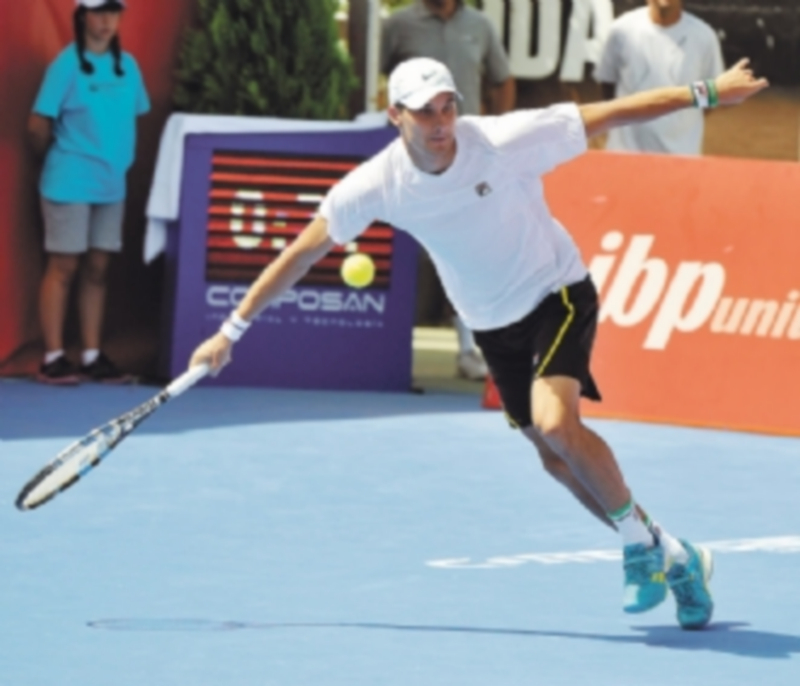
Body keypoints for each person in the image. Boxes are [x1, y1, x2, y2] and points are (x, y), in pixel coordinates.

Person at [188, 56, 767, 628]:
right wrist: (229, 330)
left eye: (448, 107)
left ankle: (640, 552)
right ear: (395, 116)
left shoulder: (500, 139)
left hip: (556, 292)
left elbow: (606, 113)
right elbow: (304, 251)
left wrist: (707, 92)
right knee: (556, 461)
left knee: (557, 424)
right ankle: (677, 556)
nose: (441, 123)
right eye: (424, 113)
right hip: (491, 324)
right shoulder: (377, 184)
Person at [382, 0, 516, 380]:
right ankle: (391, 352)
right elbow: (375, 80)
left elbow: (502, 79)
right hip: (413, 161)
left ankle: (469, 351)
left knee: (469, 253)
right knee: (411, 254)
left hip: (467, 162)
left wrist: (494, 132)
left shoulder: (481, 26)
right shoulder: (398, 25)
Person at [27, 0, 150, 384]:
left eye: (114, 13)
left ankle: (92, 355)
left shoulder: (128, 66)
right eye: (99, 13)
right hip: (70, 181)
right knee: (64, 266)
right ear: (82, 17)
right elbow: (37, 126)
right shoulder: (65, 65)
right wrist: (62, 161)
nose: (107, 21)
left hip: (111, 185)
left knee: (98, 269)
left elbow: (131, 119)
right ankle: (53, 357)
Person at [594, 0, 725, 155]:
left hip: (681, 161)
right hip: (625, 158)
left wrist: (678, 117)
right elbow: (608, 83)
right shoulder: (621, 30)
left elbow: (712, 94)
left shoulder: (704, 36)